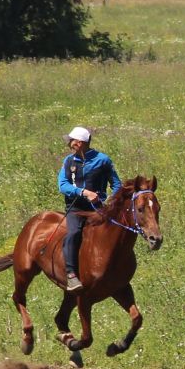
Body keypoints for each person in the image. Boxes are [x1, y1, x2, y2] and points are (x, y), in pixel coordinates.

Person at [57, 124, 120, 291]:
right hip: (75, 208)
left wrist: (114, 203)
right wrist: (84, 192)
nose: (69, 144)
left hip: (97, 208)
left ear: (79, 143)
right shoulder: (68, 161)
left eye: (71, 141)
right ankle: (71, 275)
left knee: (116, 232)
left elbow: (116, 185)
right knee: (73, 233)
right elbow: (63, 185)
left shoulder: (103, 160)